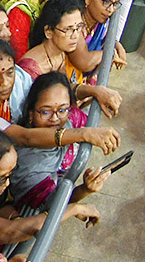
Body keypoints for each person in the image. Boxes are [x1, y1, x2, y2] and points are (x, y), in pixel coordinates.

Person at [9, 72, 112, 210]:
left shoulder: (69, 120)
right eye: (46, 112)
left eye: (62, 110)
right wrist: (84, 190)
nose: (55, 119)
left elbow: (89, 127)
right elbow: (50, 207)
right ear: (30, 114)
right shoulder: (29, 166)